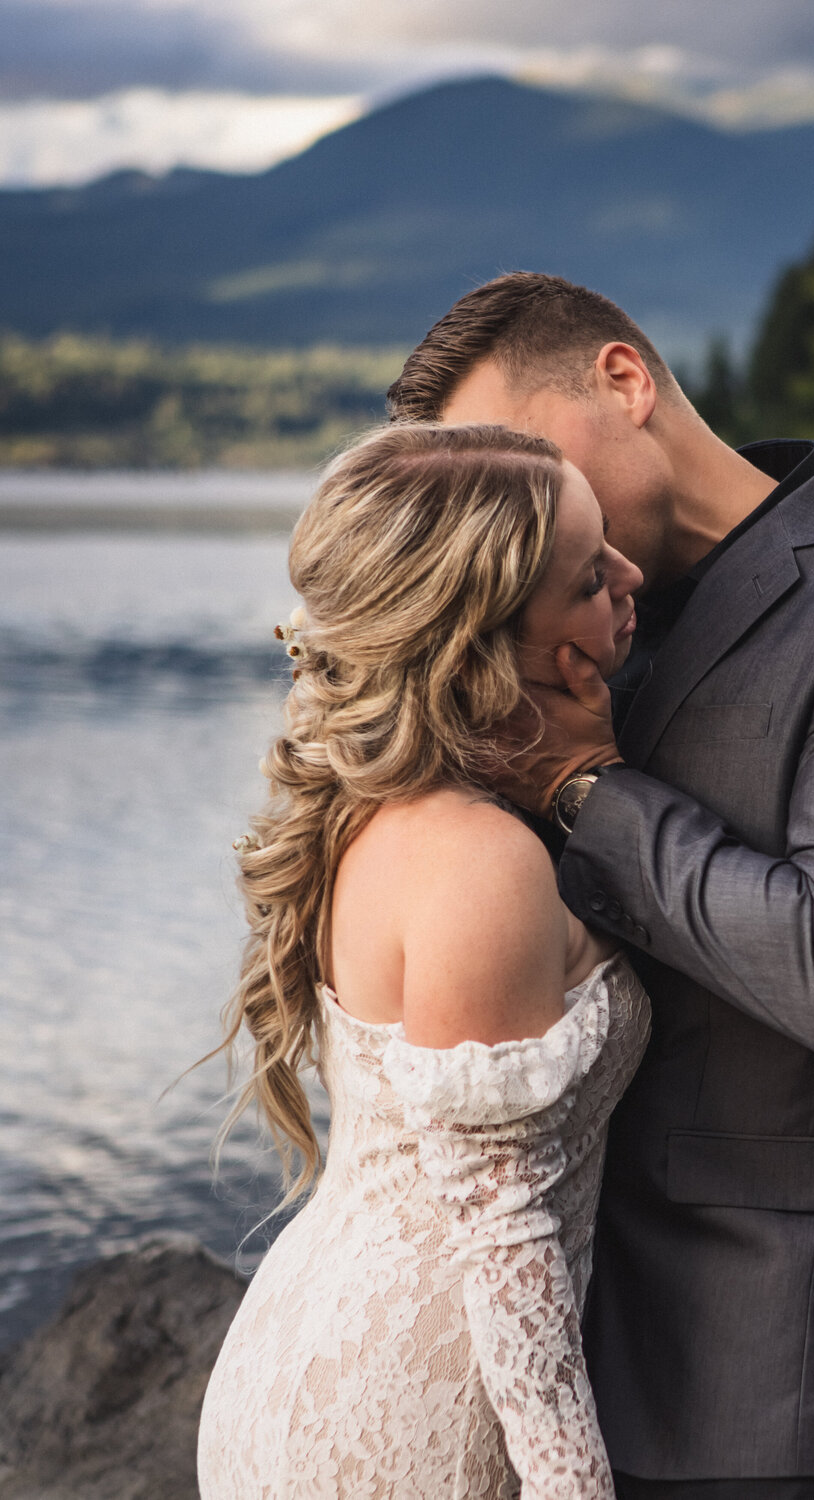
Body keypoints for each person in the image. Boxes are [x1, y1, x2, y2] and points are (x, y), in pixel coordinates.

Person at [386, 272, 814, 1500]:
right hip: (537, 1336)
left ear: (624, 382)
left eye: (524, 449)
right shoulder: (558, 613)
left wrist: (583, 787)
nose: (517, 502)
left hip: (780, 1360)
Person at [197, 421, 650, 1498]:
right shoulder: (478, 866)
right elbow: (507, 1241)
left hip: (316, 1348)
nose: (634, 577)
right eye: (591, 578)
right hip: (413, 1413)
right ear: (481, 641)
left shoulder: (378, 804)